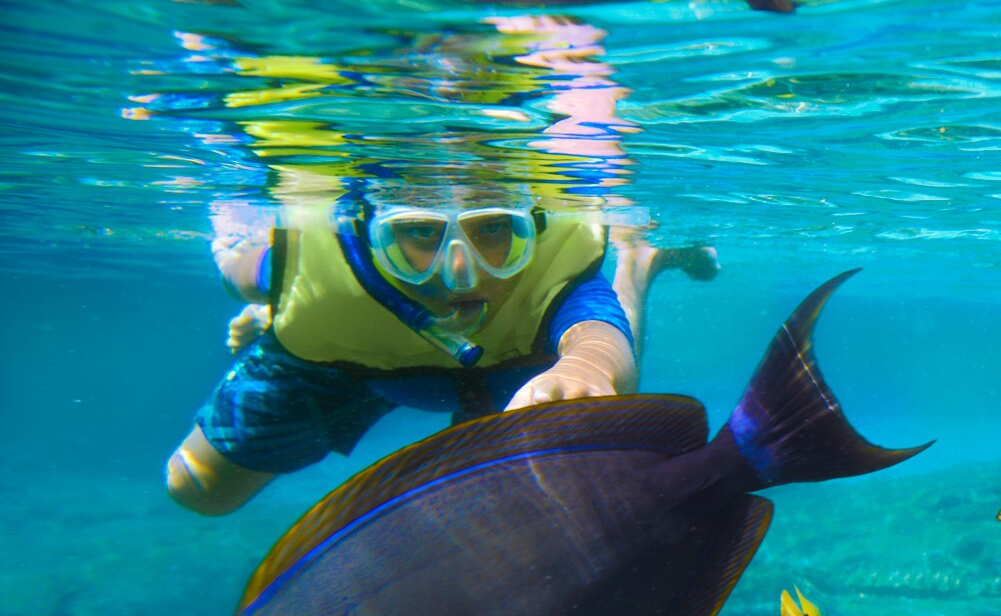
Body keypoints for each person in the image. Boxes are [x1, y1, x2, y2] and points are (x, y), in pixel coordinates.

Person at [165, 183, 714, 516]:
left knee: (595, 405)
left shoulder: (555, 266)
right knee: (199, 489)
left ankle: (634, 264)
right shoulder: (318, 272)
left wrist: (586, 365)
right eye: (421, 233)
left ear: (536, 227)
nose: (460, 271)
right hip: (356, 363)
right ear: (368, 230)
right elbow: (242, 271)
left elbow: (595, 336)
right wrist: (282, 303)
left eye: (495, 229)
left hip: (512, 371)